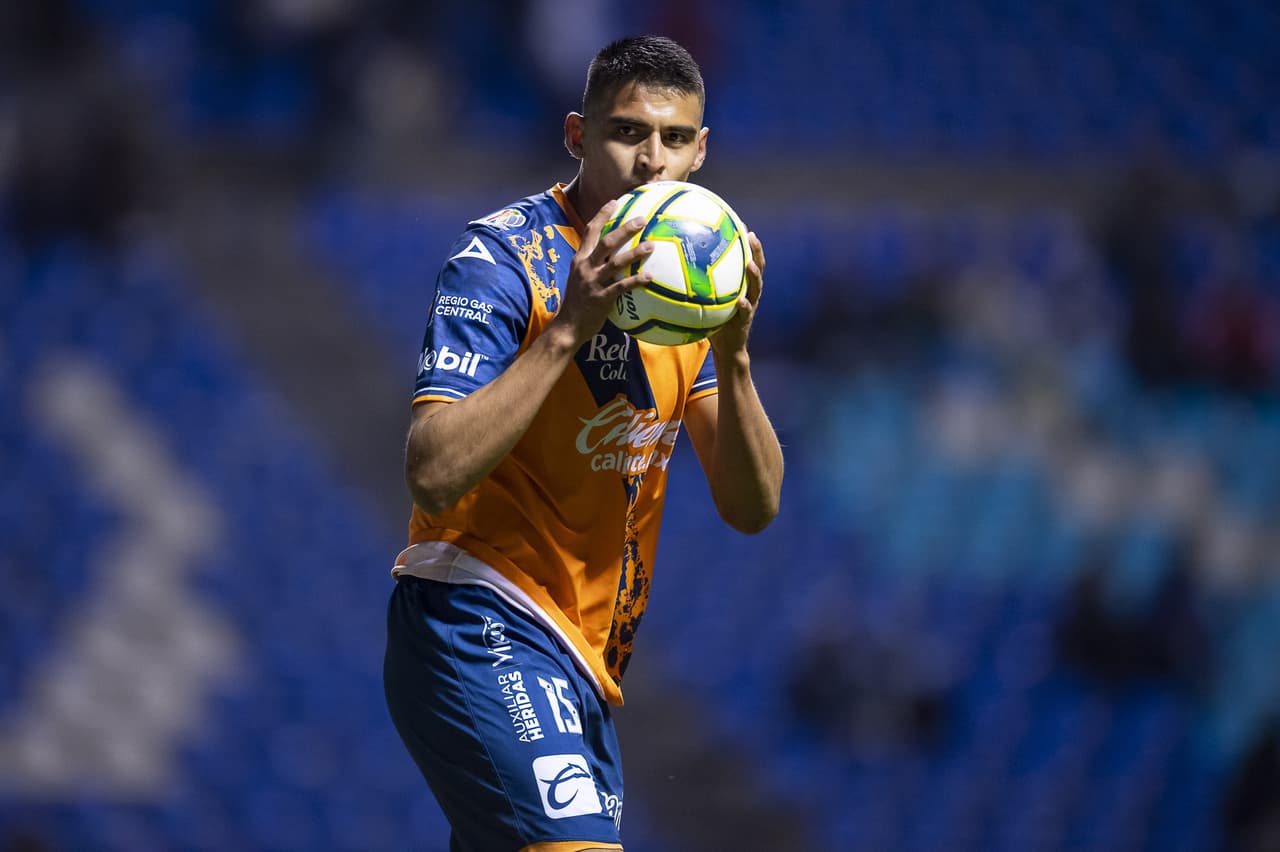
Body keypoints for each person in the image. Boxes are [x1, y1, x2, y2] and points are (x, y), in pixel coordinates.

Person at [382, 35, 784, 852]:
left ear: (702, 150)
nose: (652, 161)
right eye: (629, 133)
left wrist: (735, 354)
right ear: (577, 135)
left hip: (586, 665)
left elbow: (752, 507)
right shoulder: (501, 260)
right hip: (479, 620)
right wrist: (568, 325)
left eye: (675, 140)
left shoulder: (685, 285)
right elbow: (431, 473)